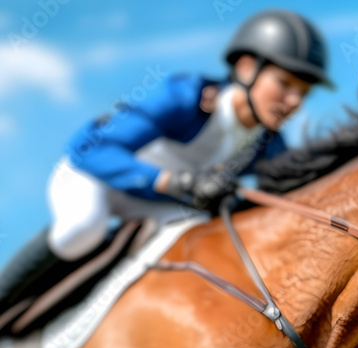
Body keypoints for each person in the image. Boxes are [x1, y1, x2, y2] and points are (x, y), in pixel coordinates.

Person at [0, 8, 332, 325]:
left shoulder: (269, 144)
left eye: (303, 92)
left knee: (201, 251)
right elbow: (93, 150)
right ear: (247, 68)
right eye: (285, 84)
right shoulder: (185, 96)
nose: (294, 102)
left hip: (155, 205)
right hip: (95, 178)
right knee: (82, 230)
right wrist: (171, 182)